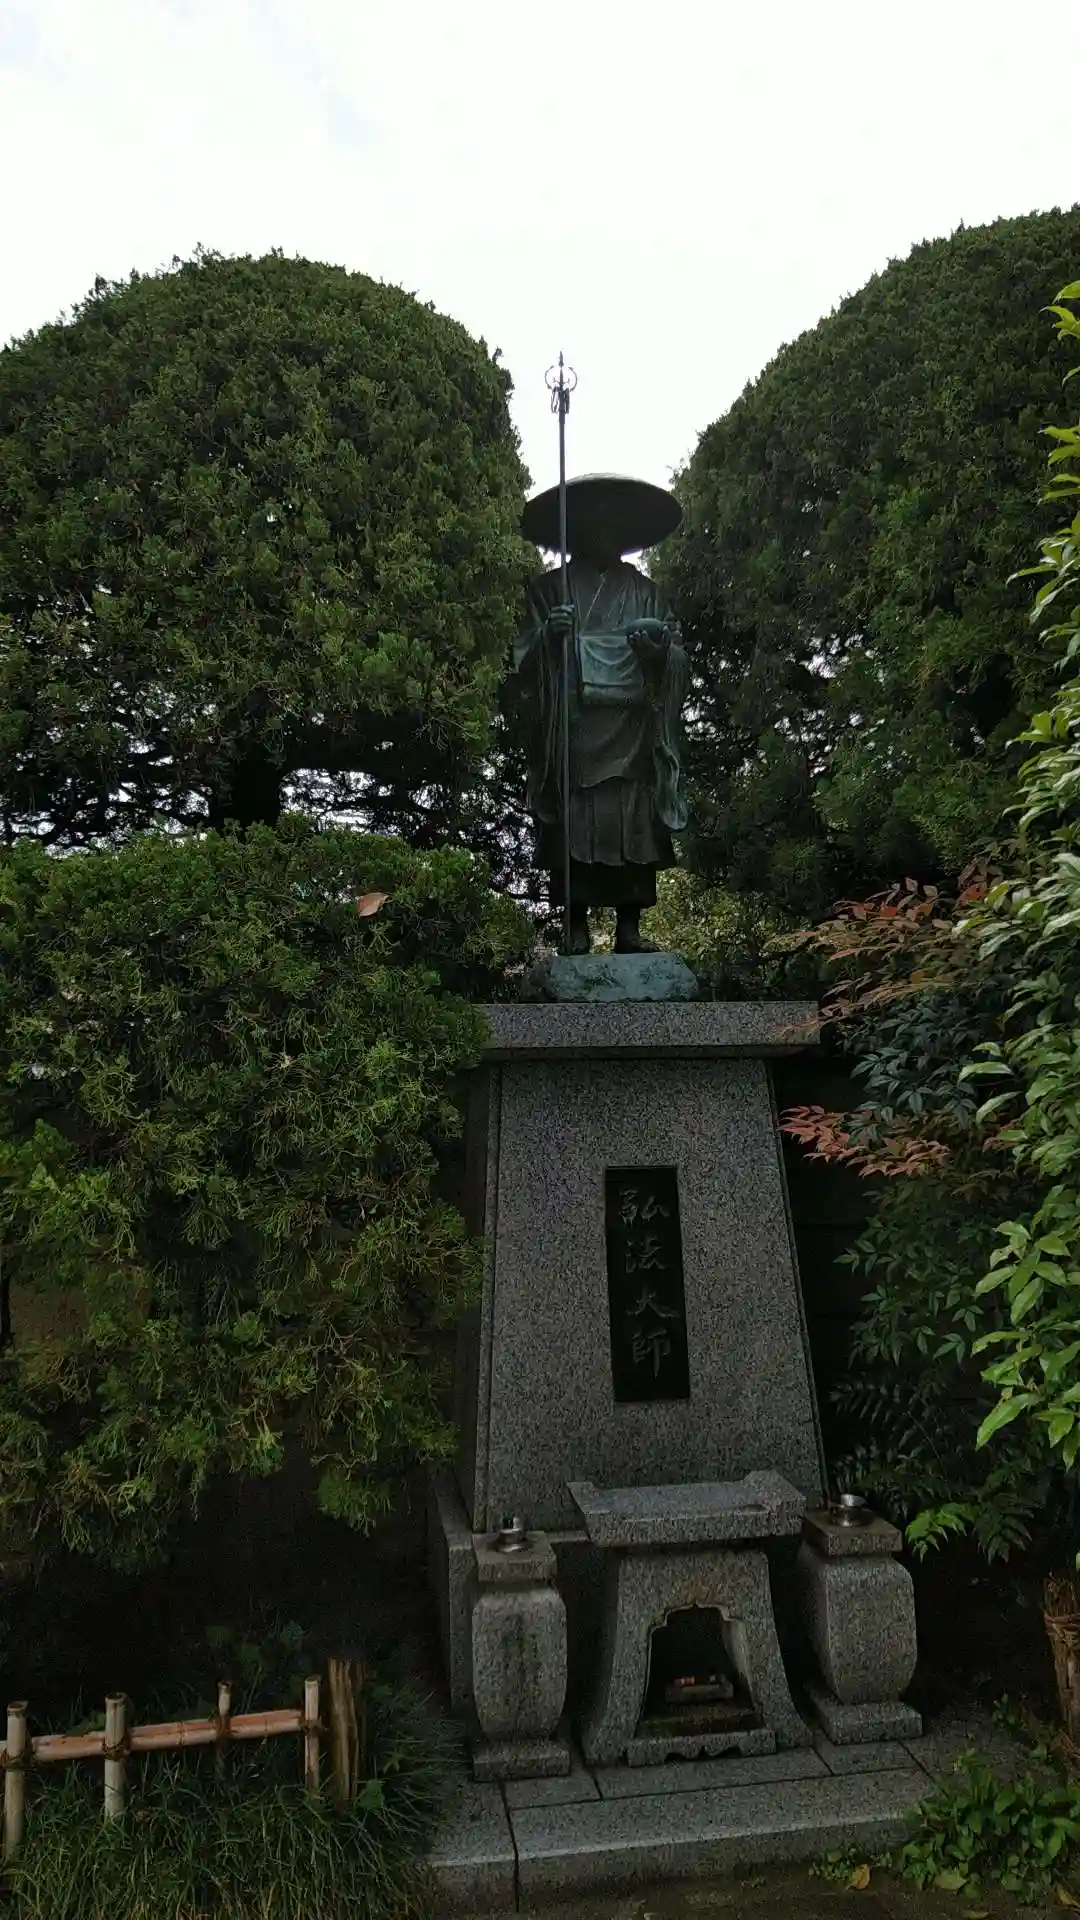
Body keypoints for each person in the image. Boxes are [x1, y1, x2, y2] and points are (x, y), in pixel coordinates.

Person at [507, 473, 689, 955]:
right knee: (576, 822)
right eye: (593, 520)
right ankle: (575, 924)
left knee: (635, 822)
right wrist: (549, 636)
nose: (603, 529)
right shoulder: (551, 589)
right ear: (576, 528)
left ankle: (630, 927)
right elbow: (520, 663)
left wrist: (659, 653)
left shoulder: (646, 592)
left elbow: (676, 653)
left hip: (633, 727)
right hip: (573, 727)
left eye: (614, 521)